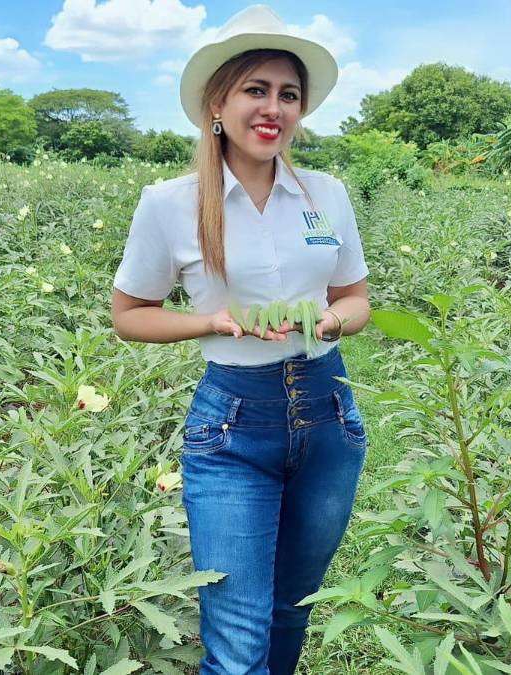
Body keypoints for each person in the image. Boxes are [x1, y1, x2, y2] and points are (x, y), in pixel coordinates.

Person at [110, 5, 370, 673]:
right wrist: (212, 321)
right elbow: (130, 312)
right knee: (236, 637)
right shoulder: (169, 202)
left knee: (292, 607)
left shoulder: (327, 194)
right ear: (217, 105)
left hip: (329, 416)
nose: (273, 108)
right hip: (232, 426)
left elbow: (356, 299)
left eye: (288, 95)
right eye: (256, 89)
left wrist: (328, 319)